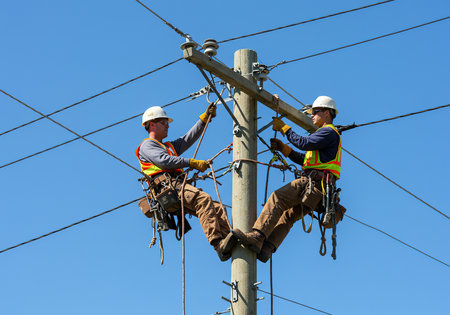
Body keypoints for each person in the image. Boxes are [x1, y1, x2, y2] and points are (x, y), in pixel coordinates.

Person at [232, 96, 346, 262]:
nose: (312, 115)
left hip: (312, 183)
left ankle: (257, 237)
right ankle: (267, 248)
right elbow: (305, 159)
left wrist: (285, 128)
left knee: (277, 199)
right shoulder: (324, 136)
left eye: (315, 111)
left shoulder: (328, 131)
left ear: (327, 113)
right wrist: (285, 150)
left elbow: (303, 143)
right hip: (319, 191)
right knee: (288, 215)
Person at [135, 105, 236, 261]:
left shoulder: (168, 146)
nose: (167, 125)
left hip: (177, 187)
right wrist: (192, 162)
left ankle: (229, 242)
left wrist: (203, 120)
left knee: (218, 208)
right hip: (168, 188)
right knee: (203, 199)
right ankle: (218, 244)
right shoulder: (147, 145)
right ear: (152, 124)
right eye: (164, 122)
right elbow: (164, 161)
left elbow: (187, 139)